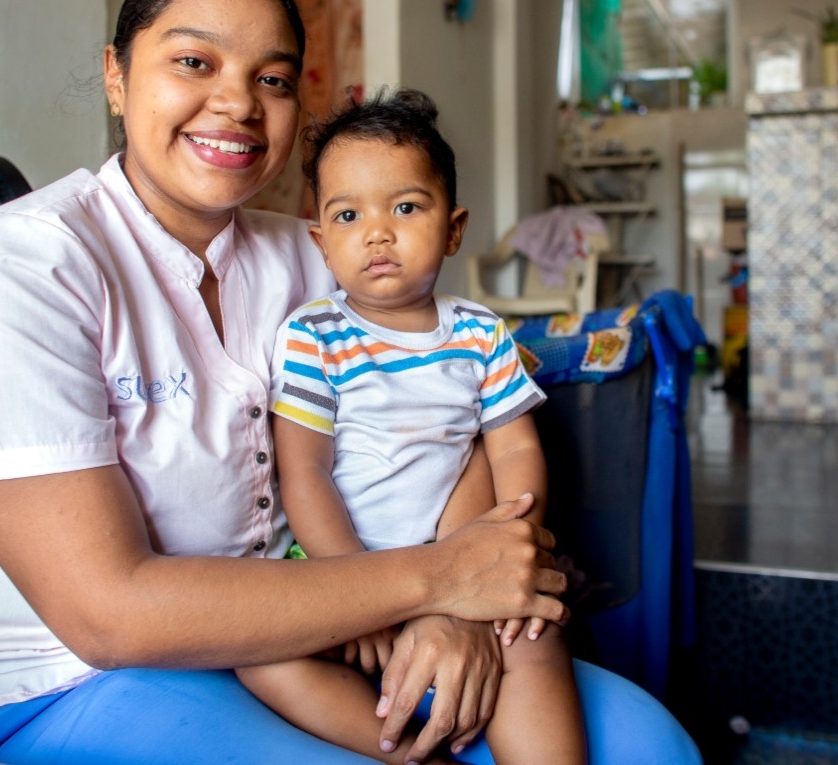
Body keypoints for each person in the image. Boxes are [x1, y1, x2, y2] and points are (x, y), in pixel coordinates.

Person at [0, 0, 702, 764]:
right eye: (193, 62)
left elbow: (456, 414)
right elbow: (108, 614)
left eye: (274, 80)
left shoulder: (321, 255)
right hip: (68, 679)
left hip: (323, 629)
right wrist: (433, 582)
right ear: (116, 75)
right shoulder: (23, 268)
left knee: (649, 749)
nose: (237, 104)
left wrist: (457, 605)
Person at [235, 89, 584, 764]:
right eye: (347, 213)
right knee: (263, 657)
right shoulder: (315, 335)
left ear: (453, 229)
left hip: (460, 566)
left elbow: (514, 448)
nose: (377, 231)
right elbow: (302, 471)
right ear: (322, 242)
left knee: (534, 641)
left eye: (405, 207)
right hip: (343, 570)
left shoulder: (481, 333)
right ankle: (404, 750)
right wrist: (354, 591)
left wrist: (511, 542)